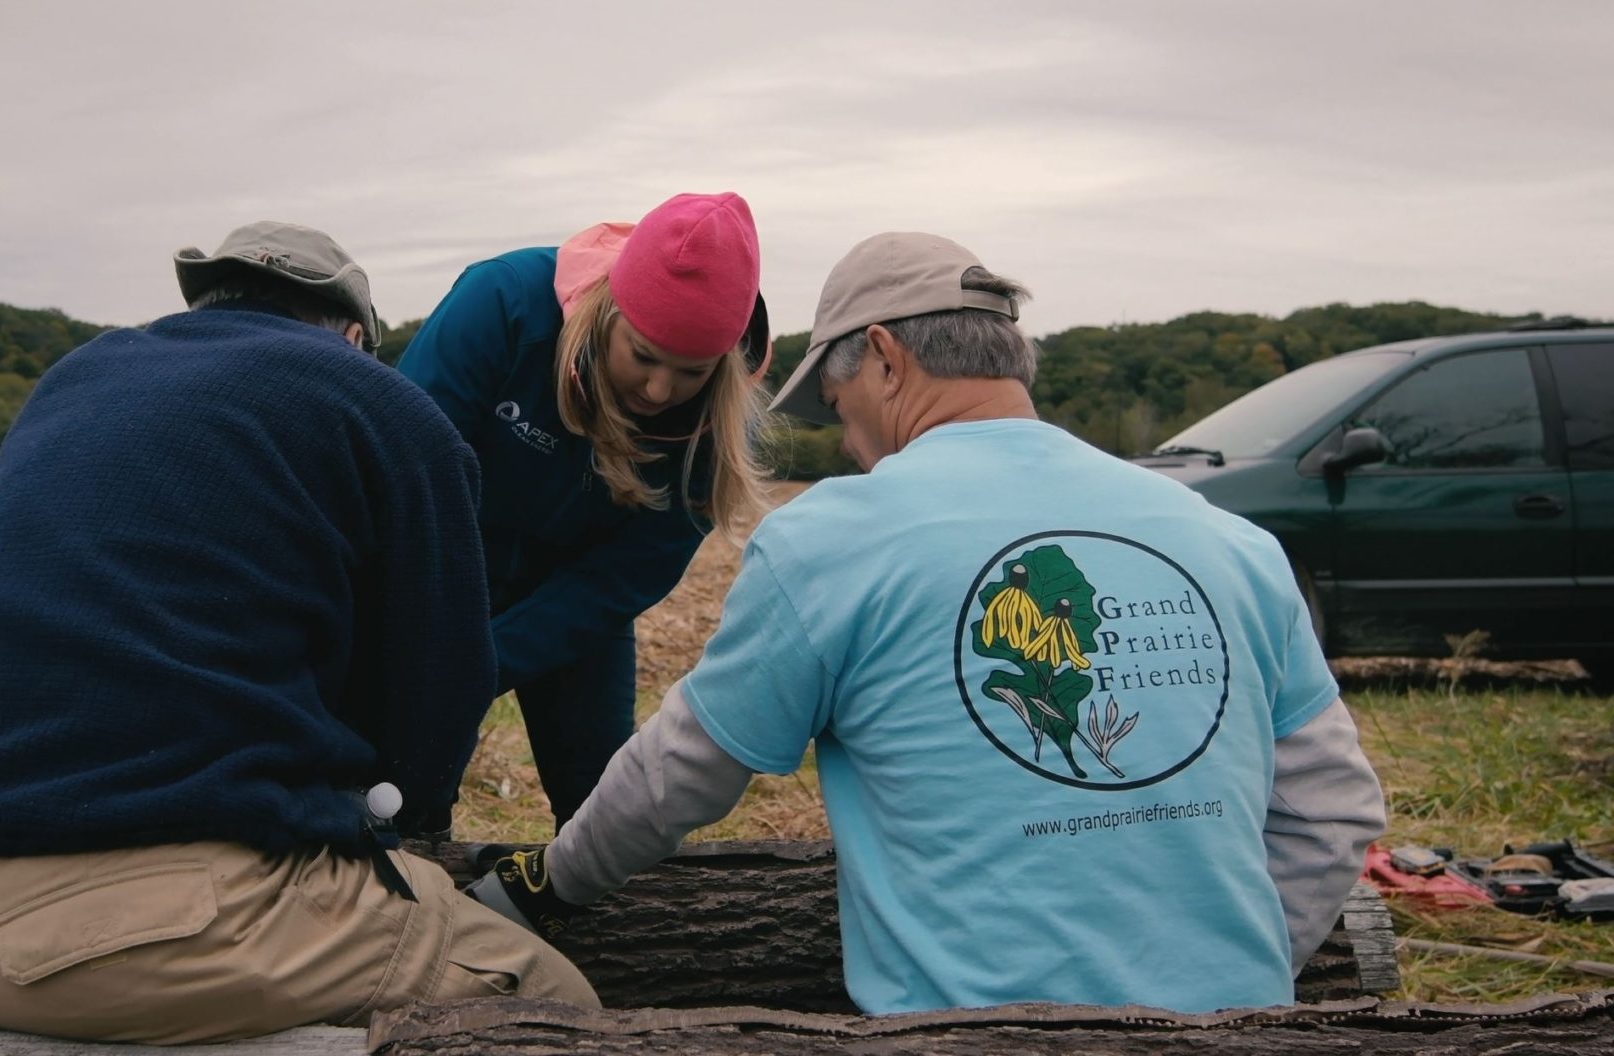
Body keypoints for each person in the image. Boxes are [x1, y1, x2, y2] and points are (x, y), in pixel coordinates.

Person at [470, 232, 1388, 1014]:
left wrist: (554, 881)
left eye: (839, 407)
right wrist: (1237, 985)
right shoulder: (1229, 542)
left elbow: (683, 774)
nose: (852, 444)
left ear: (883, 357)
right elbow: (1336, 807)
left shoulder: (832, 541)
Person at [0, 221, 598, 1044]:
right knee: (551, 1003)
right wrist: (409, 827)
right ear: (355, 334)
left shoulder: (78, 375)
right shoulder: (386, 406)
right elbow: (435, 694)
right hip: (129, 931)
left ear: (208, 299)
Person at [396, 191, 775, 828]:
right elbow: (406, 475)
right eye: (644, 355)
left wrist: (491, 660)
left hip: (575, 600)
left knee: (599, 808)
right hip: (444, 569)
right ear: (608, 312)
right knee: (403, 784)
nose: (660, 390)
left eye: (691, 372)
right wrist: (441, 650)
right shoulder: (502, 303)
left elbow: (624, 575)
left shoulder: (719, 427)